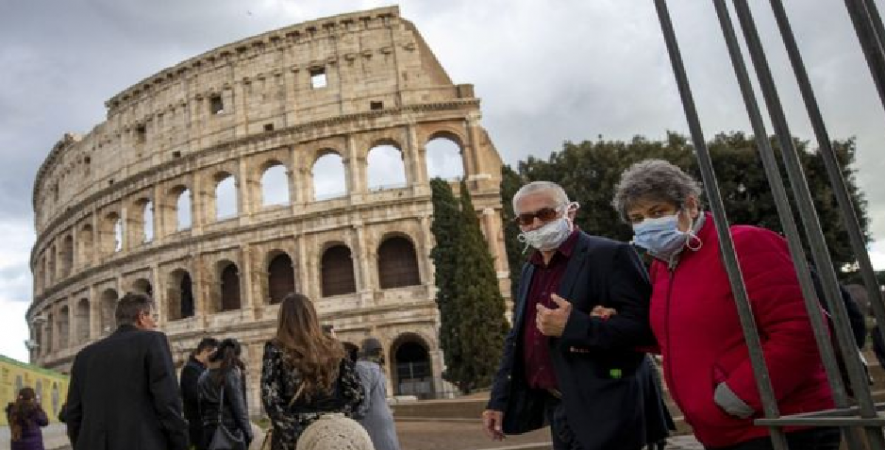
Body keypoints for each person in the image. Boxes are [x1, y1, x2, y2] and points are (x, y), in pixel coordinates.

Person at [611, 159, 838, 450]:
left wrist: (739, 396)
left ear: (690, 206)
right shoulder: (664, 267)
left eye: (658, 212)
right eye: (637, 218)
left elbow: (804, 329)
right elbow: (678, 336)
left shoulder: (743, 244)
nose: (647, 224)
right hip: (723, 432)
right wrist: (612, 322)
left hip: (779, 426)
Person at [483, 181, 672, 450]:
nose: (536, 224)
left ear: (569, 212)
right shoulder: (530, 269)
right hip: (561, 408)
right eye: (526, 219)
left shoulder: (609, 255)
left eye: (546, 214)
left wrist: (577, 325)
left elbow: (648, 329)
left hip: (612, 408)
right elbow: (518, 338)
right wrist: (499, 399)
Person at [65, 292, 189, 450]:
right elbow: (168, 402)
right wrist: (180, 442)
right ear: (142, 317)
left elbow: (73, 414)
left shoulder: (84, 356)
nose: (155, 324)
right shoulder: (152, 341)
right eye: (153, 317)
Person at [261, 293, 365, 450]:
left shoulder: (276, 348)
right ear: (312, 315)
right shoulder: (334, 346)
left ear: (283, 318)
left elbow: (271, 399)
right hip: (334, 437)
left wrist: (296, 433)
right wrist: (337, 421)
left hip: (293, 438)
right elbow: (357, 394)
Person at [198, 338, 253, 450]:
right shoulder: (230, 374)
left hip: (209, 429)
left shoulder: (203, 376)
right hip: (229, 430)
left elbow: (201, 407)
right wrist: (249, 433)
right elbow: (239, 407)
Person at [354, 337, 400, 450]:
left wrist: (355, 414)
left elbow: (365, 397)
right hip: (385, 414)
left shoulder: (361, 367)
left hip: (371, 416)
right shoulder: (379, 368)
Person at [181, 337, 219, 450]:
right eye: (214, 354)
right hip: (200, 424)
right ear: (206, 351)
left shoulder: (201, 368)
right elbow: (195, 395)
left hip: (206, 423)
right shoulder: (190, 369)